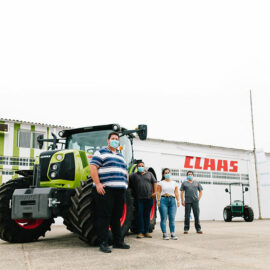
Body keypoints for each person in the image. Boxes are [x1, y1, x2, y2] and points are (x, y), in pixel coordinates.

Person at [90, 131, 130, 253]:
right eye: (113, 138)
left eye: (117, 139)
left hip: (120, 191)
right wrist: (97, 184)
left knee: (116, 217)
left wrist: (125, 185)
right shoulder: (100, 152)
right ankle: (103, 243)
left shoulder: (120, 156)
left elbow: (125, 171)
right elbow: (93, 167)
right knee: (104, 217)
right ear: (108, 141)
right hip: (106, 190)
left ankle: (118, 242)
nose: (115, 140)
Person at [129, 161, 157, 239]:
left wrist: (155, 192)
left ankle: (147, 231)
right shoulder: (134, 175)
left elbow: (154, 182)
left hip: (149, 198)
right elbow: (127, 177)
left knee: (147, 215)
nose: (141, 167)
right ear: (137, 168)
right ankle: (140, 232)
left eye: (142, 165)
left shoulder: (149, 174)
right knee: (140, 215)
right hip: (139, 199)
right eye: (139, 166)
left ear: (144, 167)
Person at [157, 168, 180, 240]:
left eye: (168, 173)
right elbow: (158, 192)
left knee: (172, 218)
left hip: (172, 201)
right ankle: (164, 234)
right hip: (163, 200)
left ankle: (172, 233)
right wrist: (158, 200)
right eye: (165, 173)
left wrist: (178, 200)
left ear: (170, 173)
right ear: (163, 174)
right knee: (164, 218)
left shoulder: (174, 183)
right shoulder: (161, 183)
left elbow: (176, 192)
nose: (167, 174)